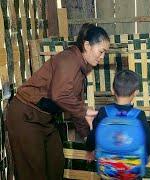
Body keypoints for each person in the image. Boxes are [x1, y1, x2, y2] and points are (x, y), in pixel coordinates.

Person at [5, 23, 110, 179]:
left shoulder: (82, 69)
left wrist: (89, 141)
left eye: (105, 53)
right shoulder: (68, 59)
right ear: (87, 45)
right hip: (26, 115)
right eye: (101, 51)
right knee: (33, 173)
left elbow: (75, 107)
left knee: (56, 164)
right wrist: (85, 111)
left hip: (46, 120)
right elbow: (59, 95)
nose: (102, 57)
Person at [86, 70, 150, 179]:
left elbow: (93, 135)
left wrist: (89, 150)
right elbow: (148, 139)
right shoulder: (139, 115)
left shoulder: (104, 112)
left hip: (107, 169)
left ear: (112, 90)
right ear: (136, 92)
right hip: (132, 170)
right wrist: (148, 154)